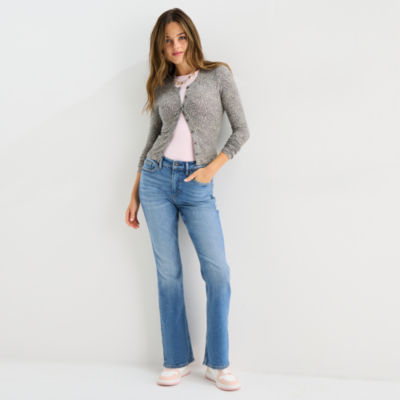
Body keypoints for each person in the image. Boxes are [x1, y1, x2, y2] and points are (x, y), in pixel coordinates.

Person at [125, 8, 249, 392]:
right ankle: (175, 360)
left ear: (191, 37)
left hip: (197, 185)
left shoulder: (218, 76)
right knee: (168, 274)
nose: (175, 46)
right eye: (167, 40)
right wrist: (135, 192)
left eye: (180, 37)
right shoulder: (161, 85)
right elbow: (152, 139)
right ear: (160, 48)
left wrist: (211, 169)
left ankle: (218, 363)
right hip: (156, 181)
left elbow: (241, 131)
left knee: (218, 272)